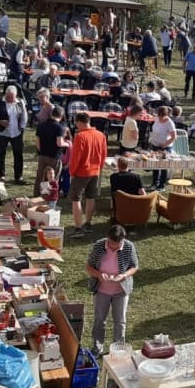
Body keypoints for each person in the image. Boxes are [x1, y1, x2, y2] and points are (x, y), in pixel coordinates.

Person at [86, 224, 140, 356]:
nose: (113, 246)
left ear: (122, 240)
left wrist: (124, 275)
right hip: (101, 290)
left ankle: (118, 349)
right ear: (107, 238)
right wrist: (99, 275)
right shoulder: (99, 246)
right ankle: (97, 348)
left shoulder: (128, 246)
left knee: (120, 321)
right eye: (110, 243)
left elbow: (134, 266)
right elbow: (89, 267)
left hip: (120, 291)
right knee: (99, 319)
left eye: (116, 244)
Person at [69, 112, 107, 237]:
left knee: (76, 199)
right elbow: (103, 154)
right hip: (95, 171)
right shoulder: (100, 135)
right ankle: (88, 224)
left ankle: (78, 228)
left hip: (81, 172)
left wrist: (72, 172)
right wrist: (99, 167)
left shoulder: (80, 136)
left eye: (76, 123)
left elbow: (76, 157)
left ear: (80, 122)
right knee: (91, 197)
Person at [0, 86, 28, 184]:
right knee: (1, 153)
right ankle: (1, 175)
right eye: (8, 96)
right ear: (5, 94)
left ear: (16, 95)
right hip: (2, 133)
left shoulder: (20, 103)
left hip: (17, 133)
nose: (10, 99)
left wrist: (22, 127)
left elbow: (24, 116)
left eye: (12, 97)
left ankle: (18, 177)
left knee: (18, 154)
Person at [34, 104, 69, 197]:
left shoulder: (41, 125)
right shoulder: (59, 127)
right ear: (61, 116)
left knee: (40, 176)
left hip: (42, 155)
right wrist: (67, 144)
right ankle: (48, 196)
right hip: (54, 156)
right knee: (53, 177)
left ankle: (37, 195)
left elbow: (37, 141)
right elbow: (59, 143)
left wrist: (40, 151)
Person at [148, 106, 177, 190]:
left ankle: (161, 185)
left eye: (162, 116)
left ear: (166, 114)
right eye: (159, 115)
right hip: (155, 144)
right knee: (154, 165)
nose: (160, 118)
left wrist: (164, 145)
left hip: (165, 147)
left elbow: (174, 137)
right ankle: (154, 183)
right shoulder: (157, 118)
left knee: (163, 166)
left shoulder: (170, 123)